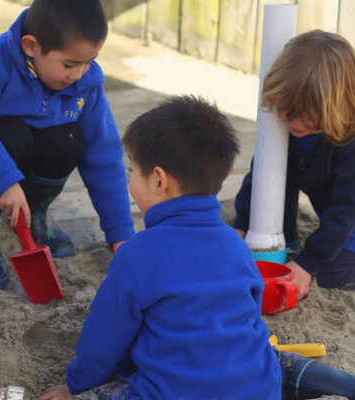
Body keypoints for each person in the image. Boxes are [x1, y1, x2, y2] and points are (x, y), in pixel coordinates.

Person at [38, 96, 355, 400]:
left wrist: (75, 385)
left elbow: (103, 341)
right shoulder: (237, 245)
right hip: (257, 390)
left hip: (171, 393)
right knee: (272, 359)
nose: (130, 181)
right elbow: (250, 311)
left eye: (132, 169)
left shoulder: (136, 254)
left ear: (159, 181)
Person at [0, 0, 134, 288]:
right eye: (69, 64)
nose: (79, 74)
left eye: (89, 61)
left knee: (68, 138)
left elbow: (103, 154)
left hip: (32, 163)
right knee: (11, 134)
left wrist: (120, 234)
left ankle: (36, 214)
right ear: (31, 46)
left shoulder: (85, 83)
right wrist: (4, 182)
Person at [234, 30, 355, 301]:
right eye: (284, 105)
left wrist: (305, 265)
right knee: (282, 170)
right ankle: (289, 238)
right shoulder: (292, 125)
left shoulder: (349, 144)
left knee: (329, 274)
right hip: (335, 214)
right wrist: (240, 225)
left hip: (350, 219)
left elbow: (344, 213)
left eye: (300, 112)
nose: (286, 117)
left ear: (332, 109)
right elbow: (262, 174)